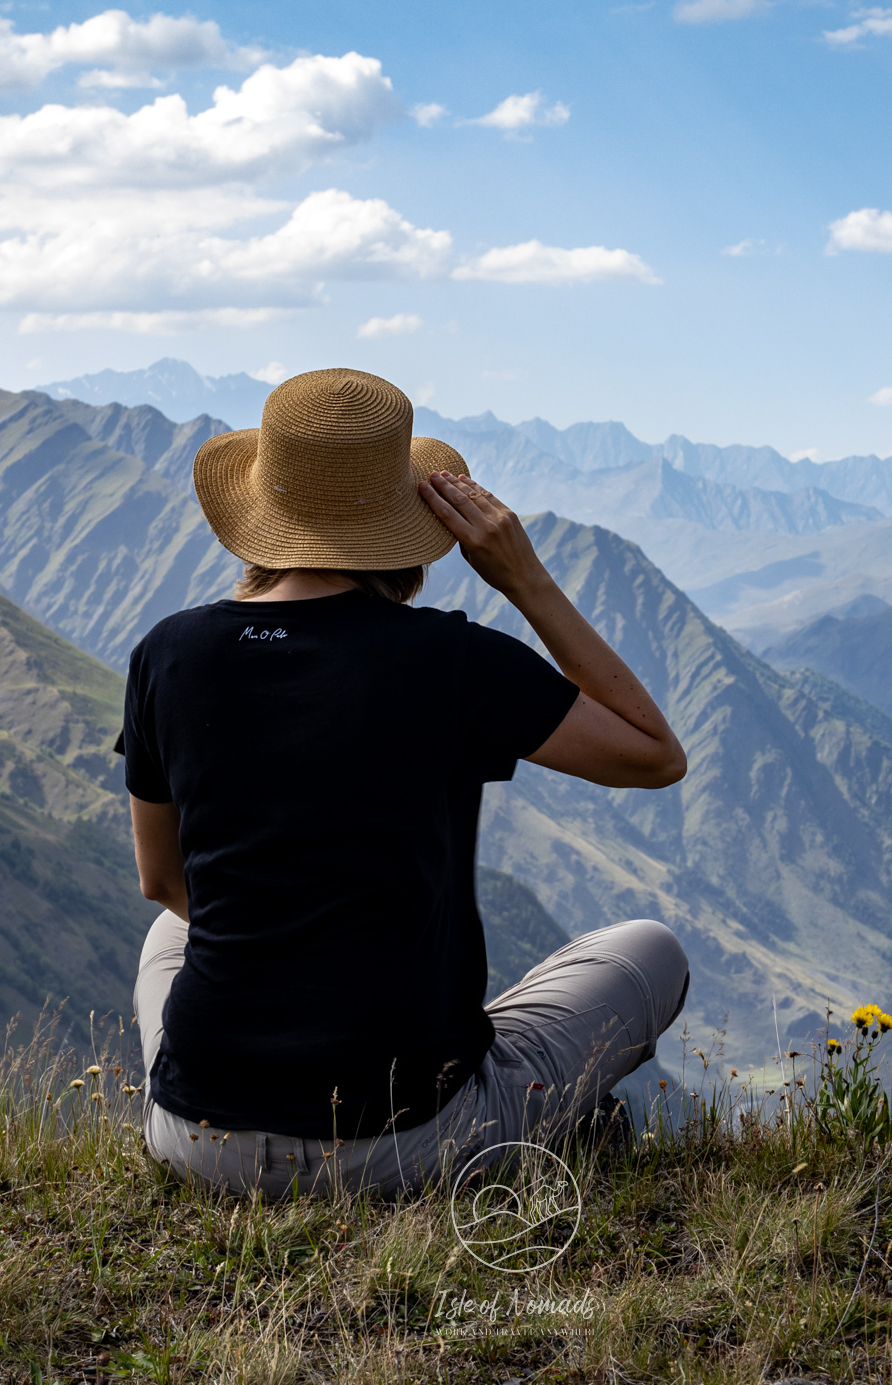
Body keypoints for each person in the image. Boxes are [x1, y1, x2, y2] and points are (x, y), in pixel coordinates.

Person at [123, 367, 691, 1197]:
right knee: (652, 951)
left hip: (199, 1139)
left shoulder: (168, 655)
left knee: (172, 935)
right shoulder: (453, 660)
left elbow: (161, 880)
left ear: (260, 510)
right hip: (410, 1145)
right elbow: (654, 755)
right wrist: (523, 578)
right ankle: (540, 1125)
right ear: (410, 516)